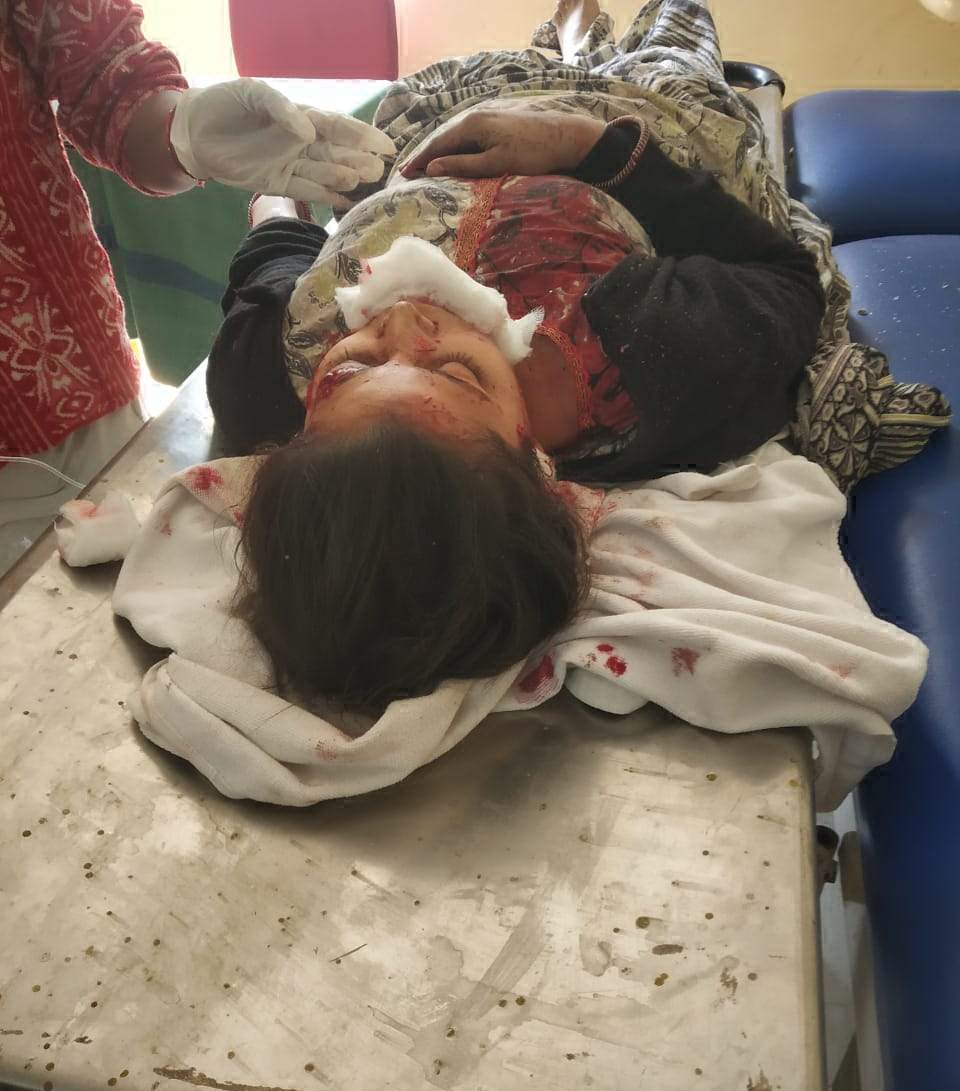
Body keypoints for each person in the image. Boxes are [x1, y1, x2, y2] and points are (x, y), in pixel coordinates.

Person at [205, 0, 827, 715]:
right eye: (455, 371)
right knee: (673, 29)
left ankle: (568, 32)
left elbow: (278, 258)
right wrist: (588, 146)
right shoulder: (650, 349)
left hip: (441, 118)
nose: (401, 320)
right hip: (627, 118)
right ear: (536, 464)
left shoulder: (263, 380)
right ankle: (587, 31)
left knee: (531, 52)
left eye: (351, 370)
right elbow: (785, 278)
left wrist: (276, 196)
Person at [0, 0, 393, 575]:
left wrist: (179, 132)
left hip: (45, 393)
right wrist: (275, 217)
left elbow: (105, 75)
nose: (414, 331)